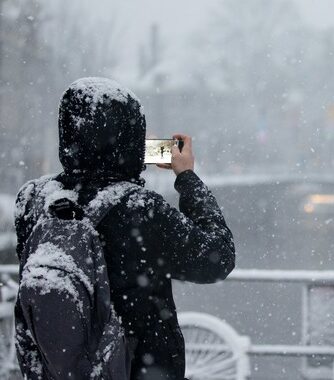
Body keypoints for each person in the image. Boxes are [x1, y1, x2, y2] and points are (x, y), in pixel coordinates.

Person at [14, 77, 235, 379]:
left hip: (56, 370)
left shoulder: (33, 200)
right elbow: (217, 257)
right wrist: (187, 177)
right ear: (131, 139)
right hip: (136, 368)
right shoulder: (140, 209)